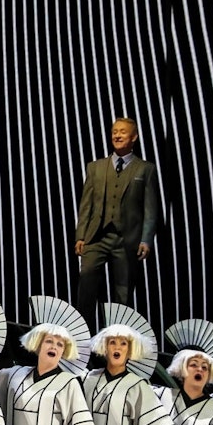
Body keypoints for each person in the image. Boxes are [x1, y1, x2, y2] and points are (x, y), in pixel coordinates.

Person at [73, 117, 161, 327]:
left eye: (122, 132)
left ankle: (117, 335)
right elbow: (86, 205)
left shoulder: (145, 169)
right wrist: (81, 235)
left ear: (134, 137)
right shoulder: (95, 167)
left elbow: (151, 209)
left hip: (126, 239)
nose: (117, 135)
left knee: (123, 291)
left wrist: (146, 240)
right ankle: (81, 333)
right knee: (86, 280)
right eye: (114, 132)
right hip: (96, 237)